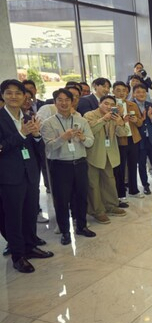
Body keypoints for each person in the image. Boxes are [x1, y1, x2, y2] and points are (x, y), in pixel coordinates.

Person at [0, 79, 54, 273]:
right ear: (3, 95)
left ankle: (30, 247)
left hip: (30, 173)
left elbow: (38, 148)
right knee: (13, 217)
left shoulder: (28, 117)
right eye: (9, 93)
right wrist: (22, 135)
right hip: (9, 176)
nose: (13, 96)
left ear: (25, 96)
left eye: (18, 93)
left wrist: (37, 135)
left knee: (30, 213)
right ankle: (18, 255)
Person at [40, 88, 96, 245]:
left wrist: (83, 137)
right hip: (60, 165)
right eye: (60, 100)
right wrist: (63, 138)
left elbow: (91, 142)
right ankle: (65, 231)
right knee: (61, 199)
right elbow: (49, 147)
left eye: (67, 100)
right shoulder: (48, 123)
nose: (63, 103)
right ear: (55, 102)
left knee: (81, 197)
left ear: (72, 102)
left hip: (79, 163)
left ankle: (82, 226)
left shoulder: (81, 121)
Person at [83, 95, 128, 224]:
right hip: (94, 154)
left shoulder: (114, 116)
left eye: (111, 105)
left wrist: (120, 123)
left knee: (109, 181)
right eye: (106, 103)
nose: (108, 107)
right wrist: (103, 119)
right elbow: (89, 131)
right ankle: (98, 211)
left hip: (109, 154)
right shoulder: (89, 115)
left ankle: (111, 206)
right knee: (93, 184)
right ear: (99, 103)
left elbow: (122, 133)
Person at [112, 81, 144, 200]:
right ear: (113, 91)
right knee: (120, 168)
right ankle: (120, 193)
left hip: (134, 139)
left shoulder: (132, 105)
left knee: (132, 165)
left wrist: (136, 120)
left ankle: (134, 190)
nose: (121, 93)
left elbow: (140, 122)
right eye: (118, 90)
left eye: (124, 90)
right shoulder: (112, 106)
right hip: (120, 140)